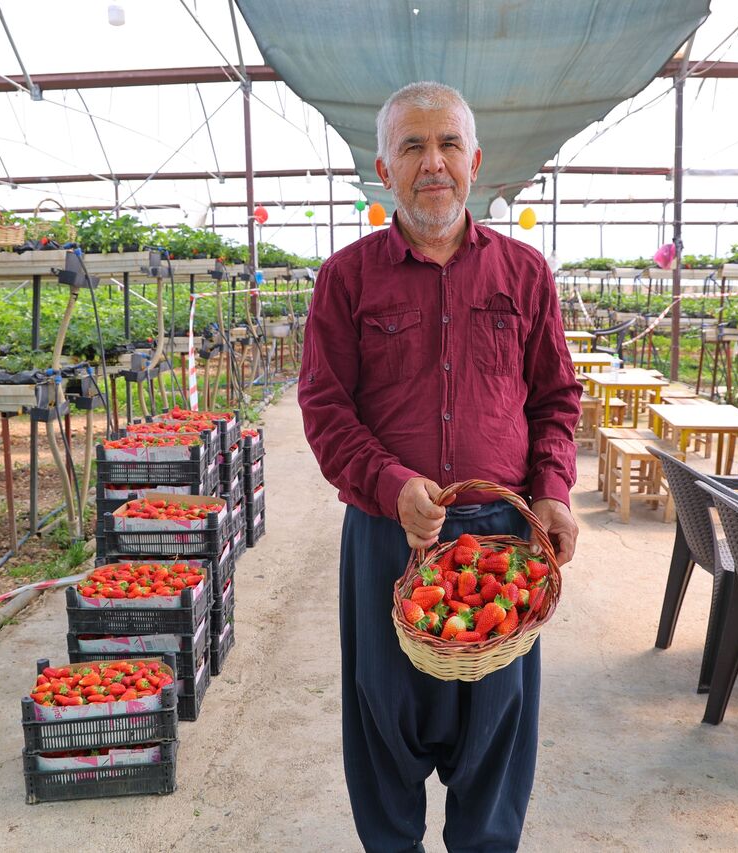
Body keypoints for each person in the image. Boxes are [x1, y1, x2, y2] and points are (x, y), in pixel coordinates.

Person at [297, 81, 582, 853]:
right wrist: (391, 486)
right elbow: (325, 410)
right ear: (383, 171)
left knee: (496, 730)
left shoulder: (524, 274)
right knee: (382, 719)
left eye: (449, 144)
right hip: (389, 536)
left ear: (476, 161)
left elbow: (557, 397)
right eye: (413, 147)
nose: (434, 163)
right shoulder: (347, 279)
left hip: (502, 539)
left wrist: (551, 491)